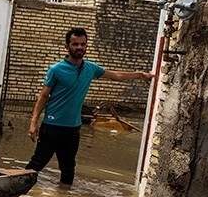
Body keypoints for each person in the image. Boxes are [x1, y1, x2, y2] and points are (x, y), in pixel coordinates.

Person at [25, 27, 154, 188]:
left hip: (73, 129)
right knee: (36, 165)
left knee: (68, 170)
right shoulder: (56, 70)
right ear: (67, 46)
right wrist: (33, 122)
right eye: (75, 44)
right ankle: (16, 191)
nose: (79, 47)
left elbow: (116, 75)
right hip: (52, 127)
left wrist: (140, 74)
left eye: (83, 44)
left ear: (86, 46)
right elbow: (43, 96)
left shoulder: (90, 68)